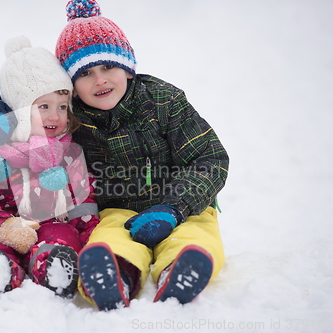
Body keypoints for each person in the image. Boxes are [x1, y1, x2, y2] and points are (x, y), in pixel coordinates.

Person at [55, 0, 230, 311]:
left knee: (195, 233)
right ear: (71, 86)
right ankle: (113, 274)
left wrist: (174, 207)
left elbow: (210, 159)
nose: (100, 80)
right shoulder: (73, 120)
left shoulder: (163, 100)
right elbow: (32, 118)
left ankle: (181, 269)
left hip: (184, 205)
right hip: (118, 211)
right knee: (109, 237)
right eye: (86, 74)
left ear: (127, 65)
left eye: (108, 66)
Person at [0, 36, 100, 302]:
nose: (55, 116)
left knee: (62, 236)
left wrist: (91, 239)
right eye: (44, 106)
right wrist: (2, 226)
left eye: (62, 107)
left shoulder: (67, 153)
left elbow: (82, 200)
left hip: (47, 224)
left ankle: (55, 266)